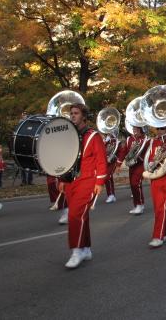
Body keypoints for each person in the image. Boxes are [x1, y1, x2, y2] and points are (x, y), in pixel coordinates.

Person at [59, 103, 107, 269]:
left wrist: (100, 182)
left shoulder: (93, 136)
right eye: (71, 113)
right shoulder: (68, 136)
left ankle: (76, 250)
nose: (72, 116)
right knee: (81, 217)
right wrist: (62, 180)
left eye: (76, 113)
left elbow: (102, 160)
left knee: (74, 216)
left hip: (87, 181)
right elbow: (65, 160)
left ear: (83, 116)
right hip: (71, 182)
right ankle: (86, 248)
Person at [116, 125, 148, 215]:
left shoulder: (146, 140)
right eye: (134, 129)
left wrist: (140, 158)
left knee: (136, 184)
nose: (134, 130)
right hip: (132, 165)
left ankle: (139, 205)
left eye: (137, 129)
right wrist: (118, 165)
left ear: (141, 129)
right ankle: (138, 204)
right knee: (133, 185)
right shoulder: (129, 139)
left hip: (140, 165)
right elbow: (123, 152)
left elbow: (149, 153)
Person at [19, 111, 33, 186]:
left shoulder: (30, 124)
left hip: (28, 145)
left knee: (30, 163)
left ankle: (29, 181)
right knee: (22, 164)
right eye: (23, 114)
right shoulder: (20, 124)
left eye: (25, 114)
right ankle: (24, 181)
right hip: (21, 145)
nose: (24, 116)